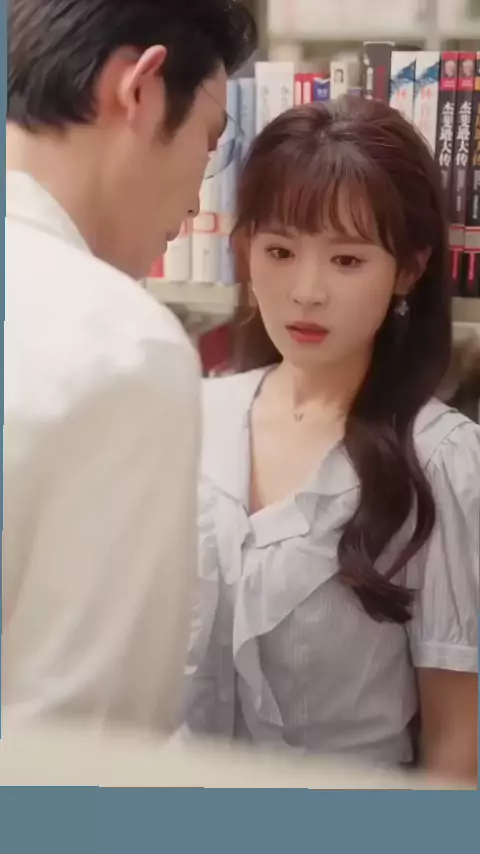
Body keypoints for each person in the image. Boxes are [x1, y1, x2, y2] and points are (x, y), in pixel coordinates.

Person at [183, 97, 479, 782]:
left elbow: (458, 746)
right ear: (245, 249)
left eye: (347, 260)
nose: (307, 291)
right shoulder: (194, 415)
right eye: (280, 251)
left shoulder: (443, 461)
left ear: (408, 270)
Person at [4, 0, 256, 732]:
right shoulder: (123, 348)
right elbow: (86, 745)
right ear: (141, 90)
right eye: (209, 143)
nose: (196, 203)